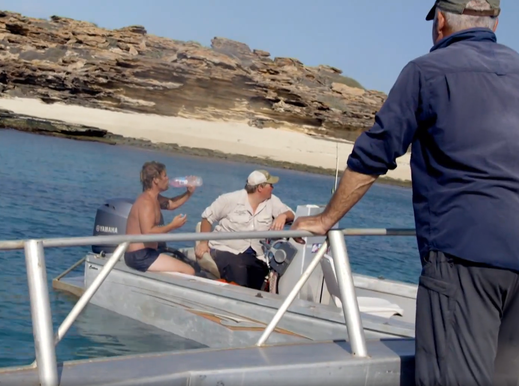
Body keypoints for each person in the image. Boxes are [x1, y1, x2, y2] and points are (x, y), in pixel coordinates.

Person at [291, 1, 519, 385]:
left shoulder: (426, 72)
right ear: (496, 21)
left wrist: (327, 219)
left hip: (463, 254)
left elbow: (374, 154)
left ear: (441, 21)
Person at [195, 170, 295, 289]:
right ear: (260, 188)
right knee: (239, 268)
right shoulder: (230, 199)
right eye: (270, 185)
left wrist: (283, 216)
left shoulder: (272, 201)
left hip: (254, 256)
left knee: (260, 272)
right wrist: (203, 243)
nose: (273, 188)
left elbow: (292, 214)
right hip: (225, 249)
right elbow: (207, 217)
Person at [124, 161, 197, 275]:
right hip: (139, 256)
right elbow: (147, 232)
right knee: (189, 271)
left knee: (187, 266)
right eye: (165, 175)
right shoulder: (146, 202)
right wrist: (172, 226)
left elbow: (172, 204)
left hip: (148, 253)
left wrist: (189, 193)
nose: (168, 179)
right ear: (155, 180)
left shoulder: (155, 198)